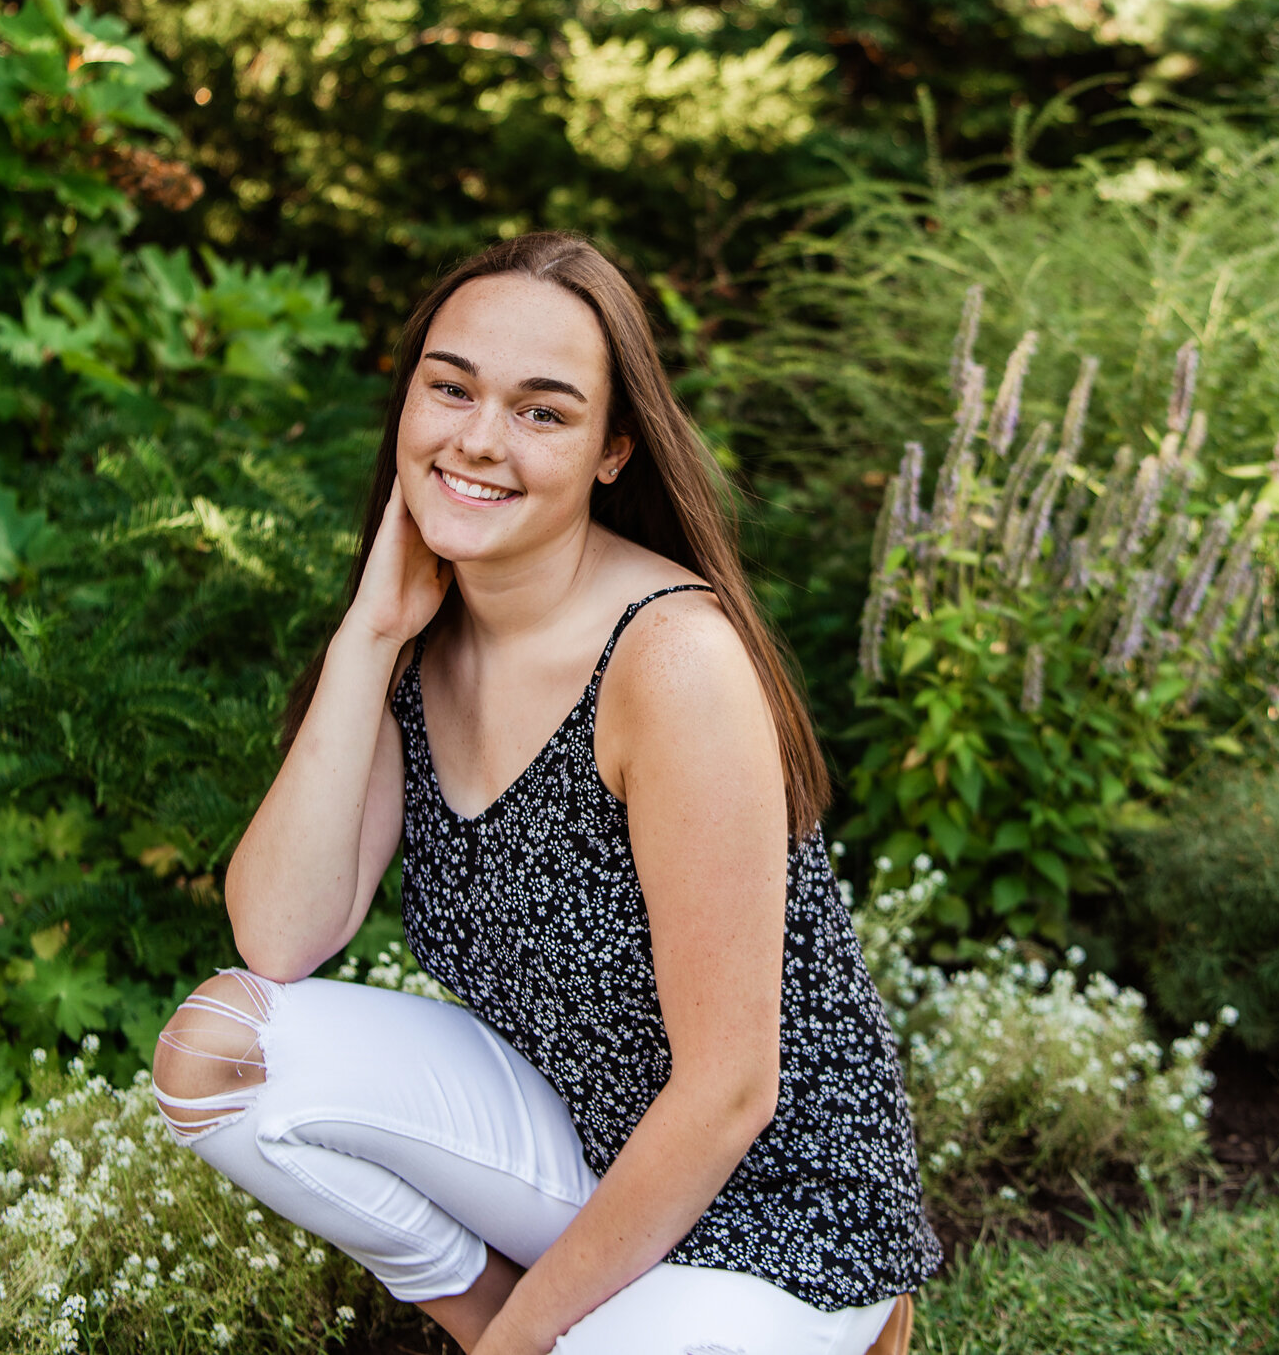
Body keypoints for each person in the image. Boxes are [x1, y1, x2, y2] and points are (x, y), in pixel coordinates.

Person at [148, 231, 941, 1355]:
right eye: (450, 388)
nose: (478, 439)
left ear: (612, 449)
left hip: (781, 1213)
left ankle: (823, 1333)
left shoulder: (670, 661)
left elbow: (727, 1091)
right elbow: (277, 935)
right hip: (581, 1146)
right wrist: (369, 633)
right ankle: (499, 1329)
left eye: (541, 410)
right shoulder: (421, 641)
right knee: (222, 1054)